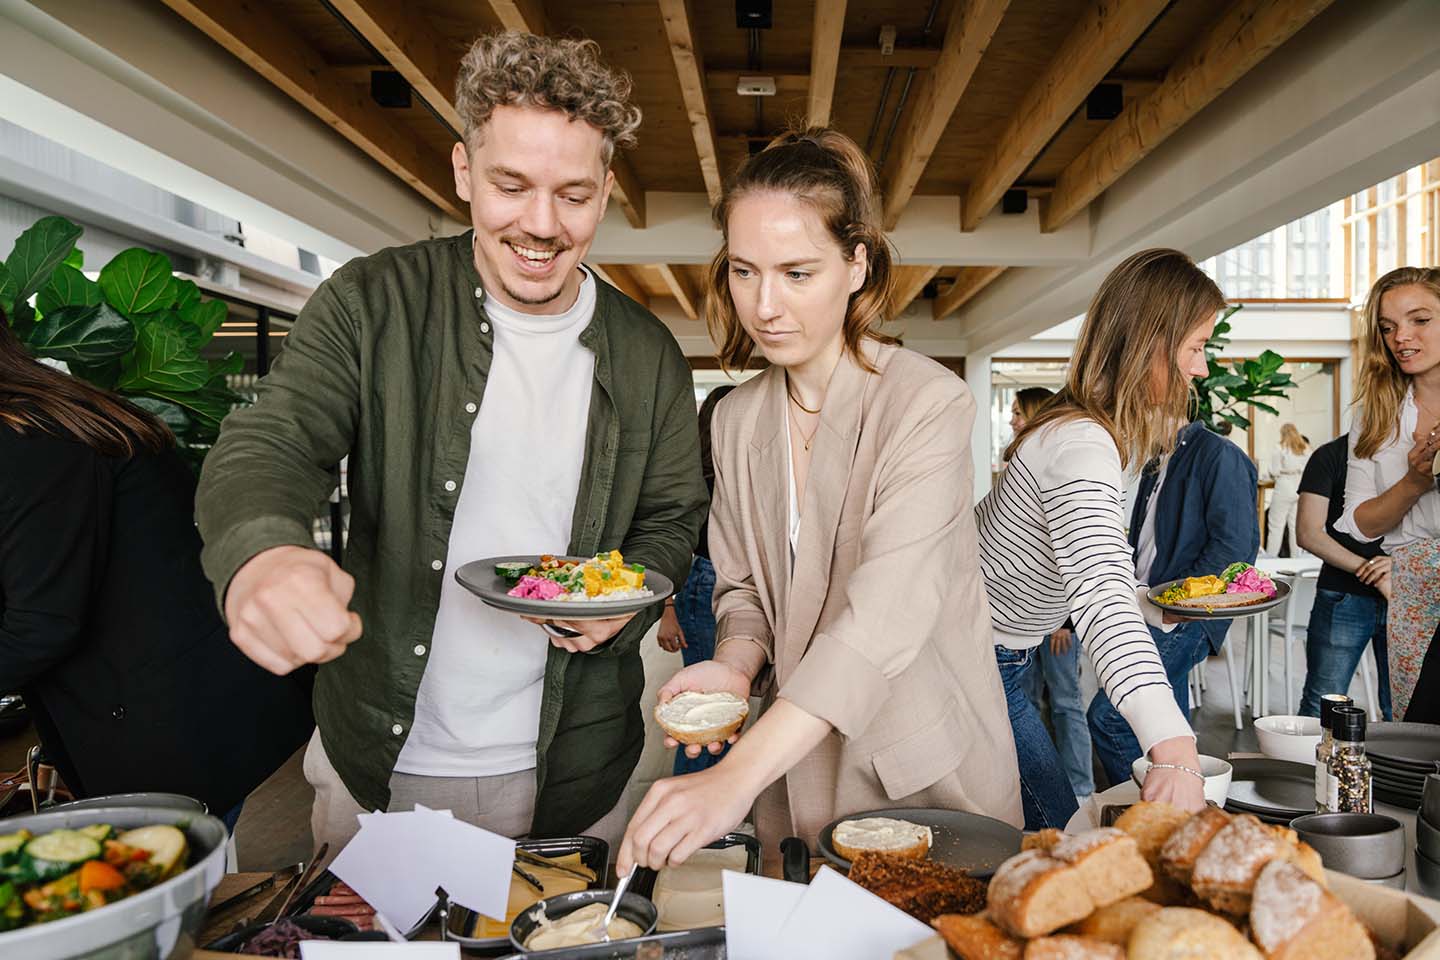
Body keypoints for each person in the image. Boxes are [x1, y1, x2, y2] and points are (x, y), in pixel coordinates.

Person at [195, 32, 707, 852]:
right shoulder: (372, 301)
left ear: (607, 190)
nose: (541, 226)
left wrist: (628, 598)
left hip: (573, 766)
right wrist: (264, 552)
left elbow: (674, 512)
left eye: (573, 195)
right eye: (511, 185)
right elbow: (275, 439)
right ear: (464, 170)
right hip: (385, 757)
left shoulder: (646, 352)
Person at [616, 127, 1021, 873]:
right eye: (744, 271)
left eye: (797, 273)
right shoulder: (736, 419)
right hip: (791, 774)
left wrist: (731, 776)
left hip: (913, 774)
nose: (764, 305)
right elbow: (742, 590)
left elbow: (882, 620)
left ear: (857, 263)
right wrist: (737, 665)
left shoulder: (927, 404)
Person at [0, 314, 312, 827]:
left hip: (198, 740)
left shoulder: (31, 438)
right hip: (211, 715)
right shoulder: (50, 413)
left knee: (250, 897)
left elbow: (41, 624)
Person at [977, 248, 1216, 830]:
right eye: (1195, 347)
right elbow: (1098, 590)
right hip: (973, 660)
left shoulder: (1096, 433)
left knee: (1046, 833)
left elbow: (1098, 572)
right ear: (1151, 345)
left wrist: (1157, 607)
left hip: (994, 651)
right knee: (1056, 836)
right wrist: (1173, 747)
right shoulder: (1082, 444)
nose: (1201, 368)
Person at [1086, 417, 1258, 788]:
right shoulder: (1157, 462)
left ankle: (1149, 807)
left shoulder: (1219, 454)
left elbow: (1235, 547)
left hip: (1187, 614)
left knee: (1111, 716)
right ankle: (1181, 819)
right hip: (1150, 607)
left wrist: (1177, 606)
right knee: (1166, 726)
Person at [1335, 266, 1440, 720]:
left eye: (1420, 319)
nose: (1402, 337)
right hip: (1411, 585)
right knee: (1415, 731)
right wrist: (1415, 481)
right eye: (1388, 326)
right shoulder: (1375, 414)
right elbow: (1361, 524)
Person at [1009, 388, 1093, 804]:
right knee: (1030, 702)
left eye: (1017, 412)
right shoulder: (1024, 463)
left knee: (1065, 703)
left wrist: (1064, 622)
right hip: (1024, 623)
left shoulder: (1067, 462)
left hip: (1057, 621)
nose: (1011, 421)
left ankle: (1079, 788)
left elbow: (1069, 551)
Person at [657, 383, 737, 775]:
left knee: (720, 707)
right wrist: (667, 608)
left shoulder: (740, 471)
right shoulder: (698, 477)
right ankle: (692, 806)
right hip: (703, 582)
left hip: (728, 584)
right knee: (703, 709)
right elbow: (675, 545)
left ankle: (708, 806)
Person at [1296, 434, 1392, 720]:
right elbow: (1307, 533)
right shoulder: (1331, 455)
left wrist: (1399, 565)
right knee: (1321, 705)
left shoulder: (1423, 458)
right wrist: (1373, 570)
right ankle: (1308, 766)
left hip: (1409, 594)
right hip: (1342, 595)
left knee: (1404, 710)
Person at [1265, 423, 1310, 556]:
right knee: (1295, 526)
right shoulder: (1306, 448)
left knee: (1276, 525)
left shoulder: (1279, 448)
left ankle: (1271, 558)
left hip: (1284, 486)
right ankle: (1296, 559)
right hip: (1300, 487)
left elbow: (1274, 471)